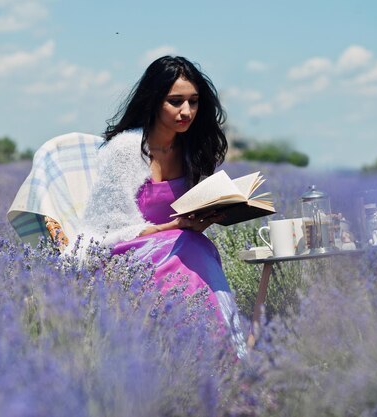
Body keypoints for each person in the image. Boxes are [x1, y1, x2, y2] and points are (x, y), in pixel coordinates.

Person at [69, 56, 245, 352]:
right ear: (154, 101)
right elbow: (106, 229)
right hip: (125, 254)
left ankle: (219, 353)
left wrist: (203, 219)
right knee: (191, 246)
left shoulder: (191, 151)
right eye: (175, 101)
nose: (186, 111)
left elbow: (186, 218)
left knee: (195, 244)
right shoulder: (126, 150)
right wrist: (171, 227)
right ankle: (214, 352)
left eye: (194, 101)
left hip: (177, 246)